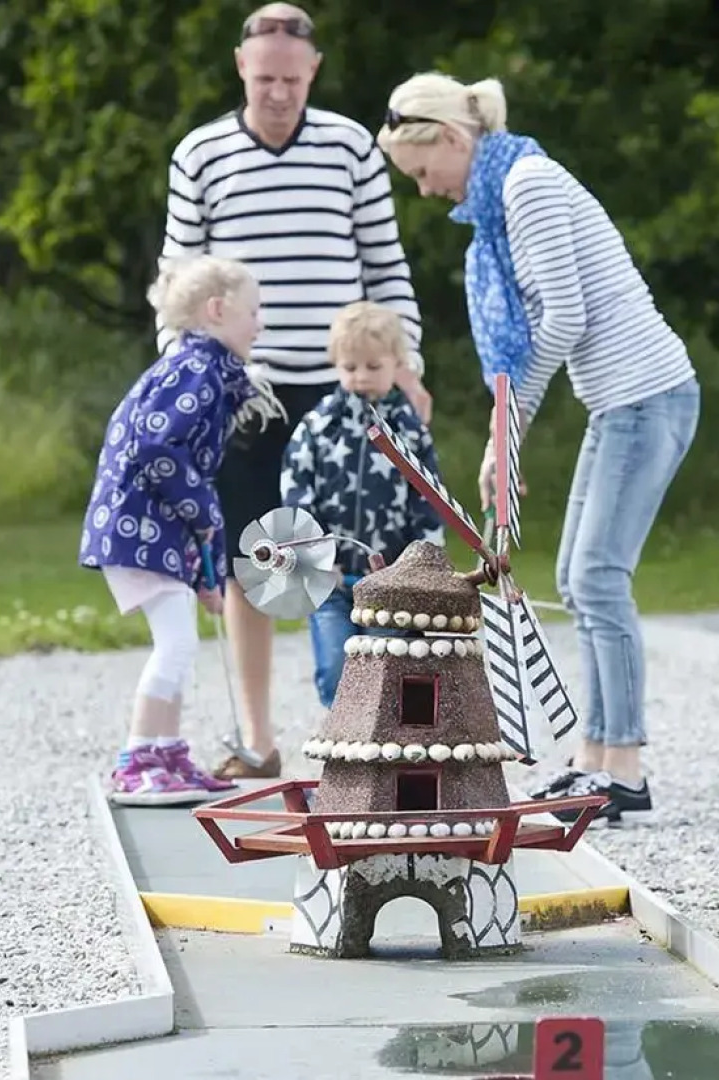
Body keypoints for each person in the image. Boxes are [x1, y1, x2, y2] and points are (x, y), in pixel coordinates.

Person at [377, 73, 701, 823]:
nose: (425, 192)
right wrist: (504, 436)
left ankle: (623, 768)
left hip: (646, 397)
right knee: (575, 574)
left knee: (596, 576)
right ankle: (595, 759)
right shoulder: (508, 193)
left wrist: (510, 428)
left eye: (424, 173)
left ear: (453, 141)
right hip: (620, 402)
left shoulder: (527, 187)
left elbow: (563, 317)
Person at [157, 2, 429, 780]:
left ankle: (362, 731)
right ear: (242, 69)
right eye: (264, 77)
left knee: (355, 555)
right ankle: (256, 737)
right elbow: (178, 285)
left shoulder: (349, 148)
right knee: (257, 561)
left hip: (347, 385)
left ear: (312, 72)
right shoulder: (201, 154)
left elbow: (386, 266)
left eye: (291, 78)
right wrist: (188, 385)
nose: (277, 92)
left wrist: (407, 368)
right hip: (245, 390)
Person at [79, 254, 282, 806]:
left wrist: (204, 560)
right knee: (175, 644)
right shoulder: (196, 371)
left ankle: (166, 753)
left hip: (148, 531)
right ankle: (137, 760)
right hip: (135, 530)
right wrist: (207, 512)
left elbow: (178, 461)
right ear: (217, 310)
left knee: (180, 641)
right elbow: (154, 445)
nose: (259, 323)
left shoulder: (207, 370)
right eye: (253, 311)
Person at [280, 301, 445, 708]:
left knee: (385, 665)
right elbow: (296, 490)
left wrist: (419, 568)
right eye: (350, 367)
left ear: (397, 364)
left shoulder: (408, 432)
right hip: (330, 578)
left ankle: (380, 751)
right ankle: (341, 742)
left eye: (373, 367)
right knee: (336, 664)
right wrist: (313, 557)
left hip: (389, 579)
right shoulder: (318, 426)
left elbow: (428, 501)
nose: (361, 377)